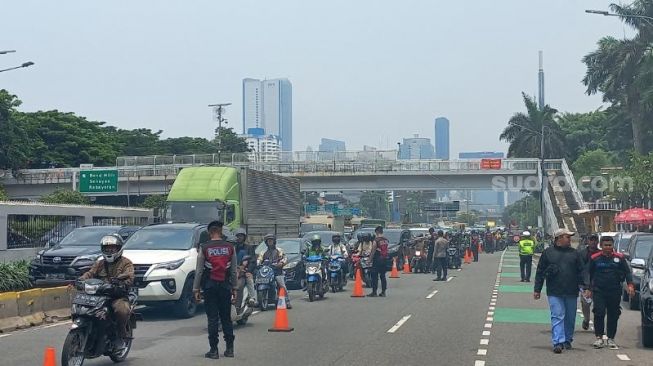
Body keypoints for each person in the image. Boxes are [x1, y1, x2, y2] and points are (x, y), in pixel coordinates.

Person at [534, 228, 587, 354]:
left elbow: (582, 271)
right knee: (557, 315)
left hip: (571, 291)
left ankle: (567, 340)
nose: (569, 239)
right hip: (554, 291)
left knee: (570, 317)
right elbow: (540, 271)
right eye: (567, 237)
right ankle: (557, 342)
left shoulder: (575, 254)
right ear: (558, 239)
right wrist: (537, 289)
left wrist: (586, 287)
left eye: (569, 237)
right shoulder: (548, 253)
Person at [78, 234, 134, 352]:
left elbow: (130, 277)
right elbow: (90, 273)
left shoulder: (126, 263)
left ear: (119, 249)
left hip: (117, 295)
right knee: (81, 305)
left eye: (112, 248)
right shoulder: (100, 263)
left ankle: (121, 336)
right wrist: (81, 280)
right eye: (107, 248)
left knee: (121, 310)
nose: (109, 251)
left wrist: (121, 281)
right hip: (99, 295)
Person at [193, 221, 237, 359]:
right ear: (221, 231)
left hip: (210, 286)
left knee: (212, 318)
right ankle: (230, 349)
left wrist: (196, 289)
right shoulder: (230, 247)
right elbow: (234, 271)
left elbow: (199, 271)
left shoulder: (204, 247)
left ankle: (214, 350)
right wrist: (234, 288)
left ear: (210, 233)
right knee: (226, 318)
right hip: (225, 286)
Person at [588, 236, 635, 350]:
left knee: (613, 314)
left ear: (613, 245)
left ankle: (610, 338)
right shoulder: (595, 258)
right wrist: (588, 288)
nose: (608, 247)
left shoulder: (620, 258)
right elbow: (588, 274)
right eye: (605, 245)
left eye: (610, 245)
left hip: (614, 291)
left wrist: (630, 286)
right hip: (599, 291)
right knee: (599, 312)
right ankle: (599, 337)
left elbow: (628, 273)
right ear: (601, 246)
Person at [257, 234, 291, 309]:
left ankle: (287, 301)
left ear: (274, 241)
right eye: (268, 240)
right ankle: (258, 299)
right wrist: (258, 263)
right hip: (266, 271)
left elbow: (284, 258)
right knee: (257, 282)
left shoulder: (279, 250)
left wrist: (281, 263)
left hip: (277, 272)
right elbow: (259, 259)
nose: (270, 242)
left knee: (281, 285)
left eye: (271, 240)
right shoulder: (263, 252)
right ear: (266, 242)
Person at [578, 233, 600, 330]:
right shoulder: (582, 253)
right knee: (586, 304)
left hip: (598, 284)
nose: (593, 242)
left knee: (599, 306)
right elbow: (581, 269)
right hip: (585, 284)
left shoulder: (601, 254)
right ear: (588, 241)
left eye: (595, 240)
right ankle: (586, 320)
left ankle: (598, 324)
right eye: (591, 240)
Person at [234, 228, 257, 307]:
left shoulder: (249, 248)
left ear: (244, 237)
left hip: (245, 270)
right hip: (234, 270)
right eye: (238, 236)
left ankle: (252, 297)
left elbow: (253, 260)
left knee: (249, 279)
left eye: (241, 236)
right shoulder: (233, 248)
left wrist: (248, 270)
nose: (239, 237)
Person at [368, 226, 389, 297]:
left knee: (375, 276)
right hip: (385, 259)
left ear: (377, 232)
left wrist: (369, 260)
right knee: (383, 276)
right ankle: (383, 292)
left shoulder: (376, 240)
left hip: (377, 260)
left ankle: (374, 292)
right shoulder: (386, 240)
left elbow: (373, 251)